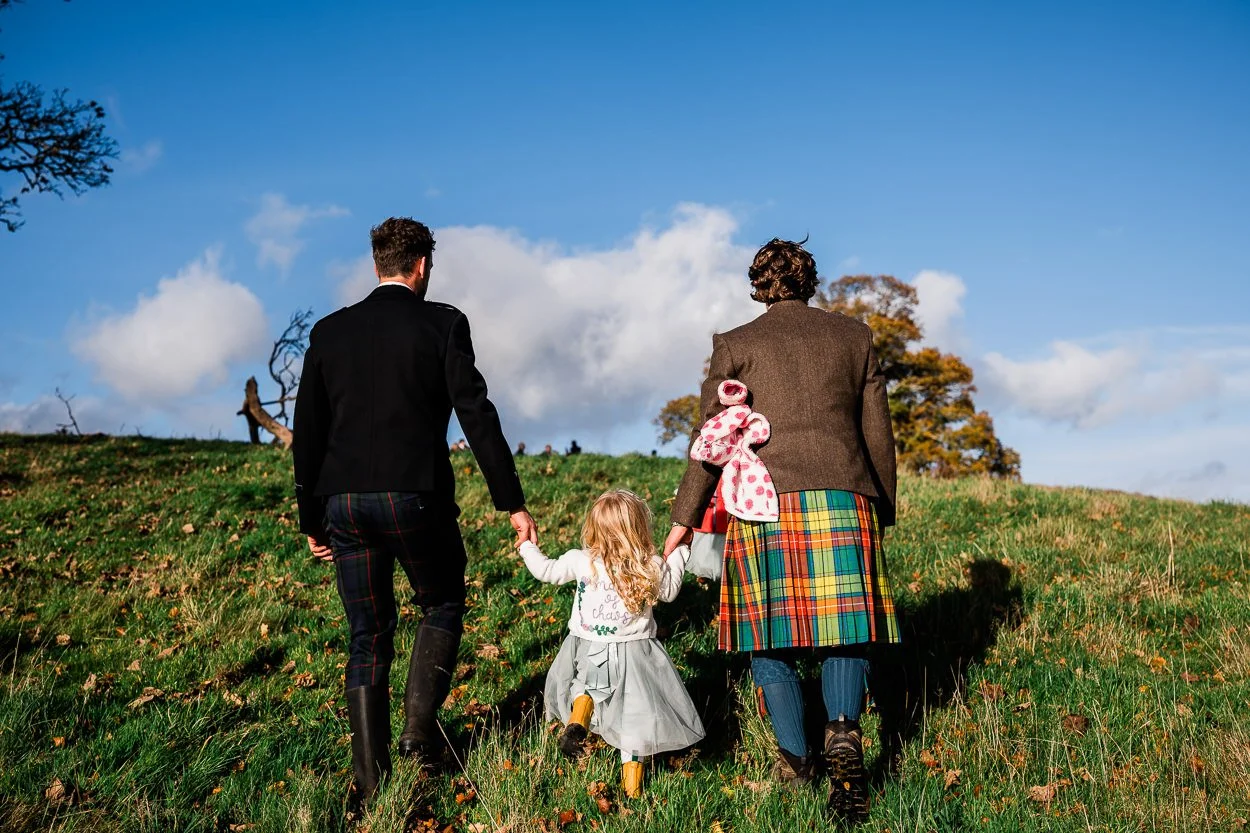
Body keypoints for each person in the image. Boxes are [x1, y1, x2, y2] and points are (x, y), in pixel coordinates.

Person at [292, 217, 537, 814]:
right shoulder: (443, 323)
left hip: (343, 503)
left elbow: (307, 432)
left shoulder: (328, 332)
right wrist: (513, 502)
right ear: (422, 264)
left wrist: (310, 519)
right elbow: (477, 416)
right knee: (443, 601)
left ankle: (373, 785)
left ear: (378, 263)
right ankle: (419, 738)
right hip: (414, 499)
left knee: (366, 636)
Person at [665, 238, 899, 824]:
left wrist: (683, 521)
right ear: (809, 280)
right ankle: (843, 737)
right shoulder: (855, 337)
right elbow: (879, 437)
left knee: (767, 639)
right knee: (845, 631)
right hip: (845, 498)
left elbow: (711, 443)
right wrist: (881, 506)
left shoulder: (735, 345)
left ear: (759, 284)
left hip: (762, 506)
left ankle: (797, 762)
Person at [519, 490, 704, 798]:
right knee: (636, 718)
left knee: (584, 685)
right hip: (635, 654)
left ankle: (579, 719)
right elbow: (670, 592)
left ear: (594, 526)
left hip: (588, 645)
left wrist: (526, 545)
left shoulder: (581, 560)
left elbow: (546, 571)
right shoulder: (650, 565)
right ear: (639, 527)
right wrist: (682, 550)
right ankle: (632, 791)